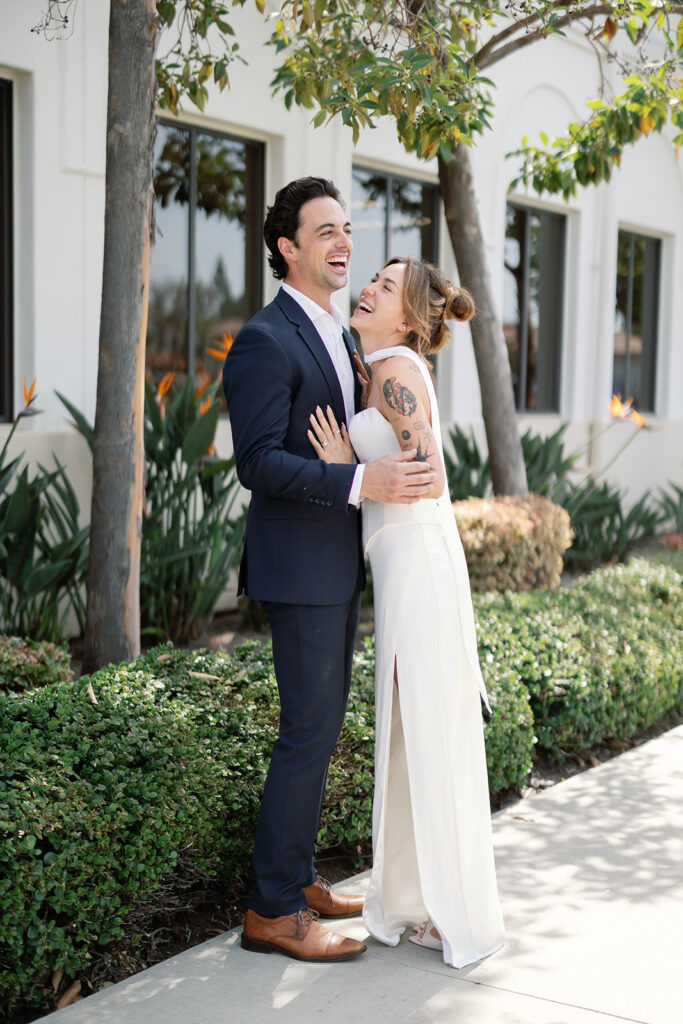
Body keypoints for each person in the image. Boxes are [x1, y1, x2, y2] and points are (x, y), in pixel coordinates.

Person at [222, 179, 438, 964]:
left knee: (318, 733)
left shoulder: (342, 335)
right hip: (297, 568)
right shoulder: (264, 339)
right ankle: (273, 913)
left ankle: (300, 877)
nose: (343, 243)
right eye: (325, 232)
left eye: (347, 229)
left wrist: (362, 475)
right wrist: (358, 483)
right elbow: (257, 462)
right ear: (287, 246)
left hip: (337, 565)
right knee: (305, 734)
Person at [308, 257, 505, 969]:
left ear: (411, 320)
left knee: (427, 735)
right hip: (400, 569)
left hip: (417, 567)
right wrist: (353, 470)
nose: (366, 288)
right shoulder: (380, 368)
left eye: (385, 287)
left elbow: (425, 479)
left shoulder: (393, 370)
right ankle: (418, 903)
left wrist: (347, 475)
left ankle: (455, 914)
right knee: (405, 737)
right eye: (372, 279)